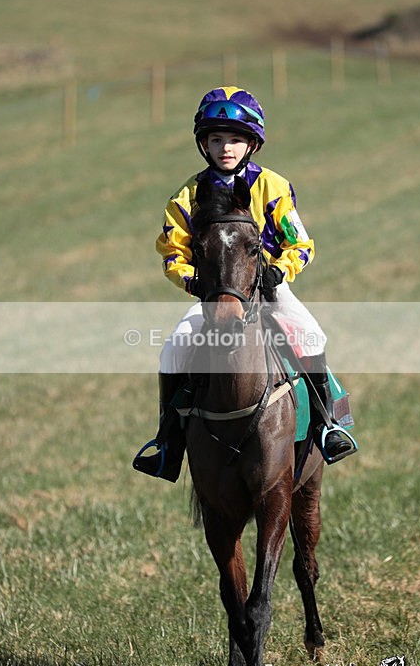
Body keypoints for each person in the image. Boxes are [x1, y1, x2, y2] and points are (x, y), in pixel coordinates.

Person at [133, 86, 357, 482]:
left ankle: (328, 427)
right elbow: (173, 253)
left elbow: (301, 243)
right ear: (203, 143)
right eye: (216, 139)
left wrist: (280, 271)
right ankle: (168, 444)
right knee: (172, 348)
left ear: (252, 143)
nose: (225, 148)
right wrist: (194, 283)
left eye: (235, 139)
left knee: (311, 335)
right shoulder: (187, 196)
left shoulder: (273, 186)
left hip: (269, 289)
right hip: (215, 293)